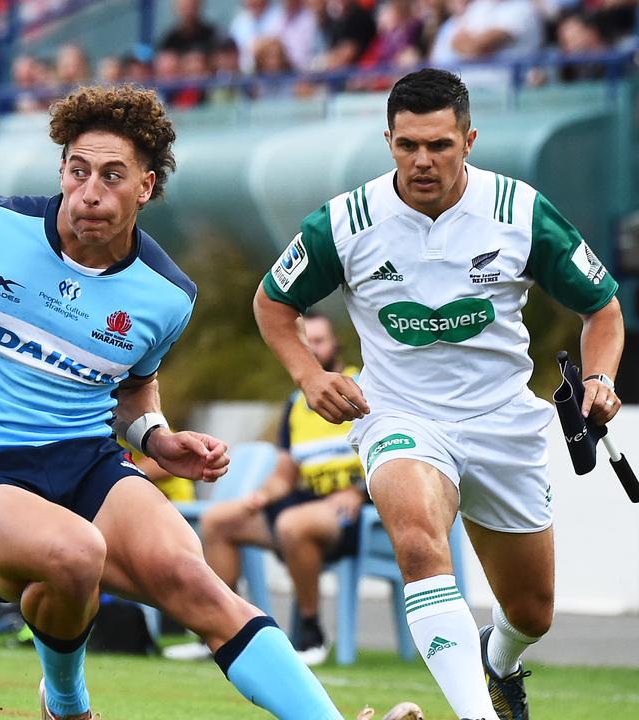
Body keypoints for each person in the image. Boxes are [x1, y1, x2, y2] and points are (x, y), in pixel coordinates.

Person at [0, 84, 345, 720]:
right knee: (75, 554)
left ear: (145, 187)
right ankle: (67, 704)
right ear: (62, 171)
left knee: (196, 582)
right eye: (78, 170)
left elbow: (133, 390)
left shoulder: (166, 296)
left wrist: (155, 438)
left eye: (113, 176)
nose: (90, 191)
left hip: (88, 463)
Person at [254, 68, 623, 720]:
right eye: (407, 145)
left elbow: (604, 309)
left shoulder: (519, 211)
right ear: (389, 140)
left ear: (469, 139)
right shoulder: (346, 221)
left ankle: (499, 662)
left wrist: (599, 379)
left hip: (503, 421)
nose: (423, 161)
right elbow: (272, 302)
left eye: (440, 145)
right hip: (400, 413)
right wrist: (310, 375)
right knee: (419, 543)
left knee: (532, 612)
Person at [199, 313, 366, 665]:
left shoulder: (362, 385)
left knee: (293, 523)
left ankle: (310, 631)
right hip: (304, 506)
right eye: (307, 343)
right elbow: (283, 475)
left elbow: (391, 452)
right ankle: (221, 632)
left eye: (320, 340)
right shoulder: (297, 403)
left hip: (360, 511)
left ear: (335, 343)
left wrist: (359, 490)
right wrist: (260, 496)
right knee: (219, 521)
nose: (314, 349)